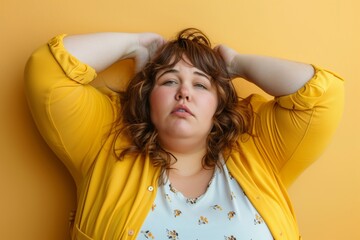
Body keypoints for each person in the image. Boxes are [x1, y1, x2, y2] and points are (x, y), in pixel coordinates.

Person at [24, 28, 344, 240]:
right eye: (169, 81)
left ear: (219, 104)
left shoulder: (261, 149)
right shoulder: (103, 142)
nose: (184, 93)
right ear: (147, 96)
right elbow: (46, 72)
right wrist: (135, 45)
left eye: (201, 84)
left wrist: (238, 64)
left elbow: (323, 95)